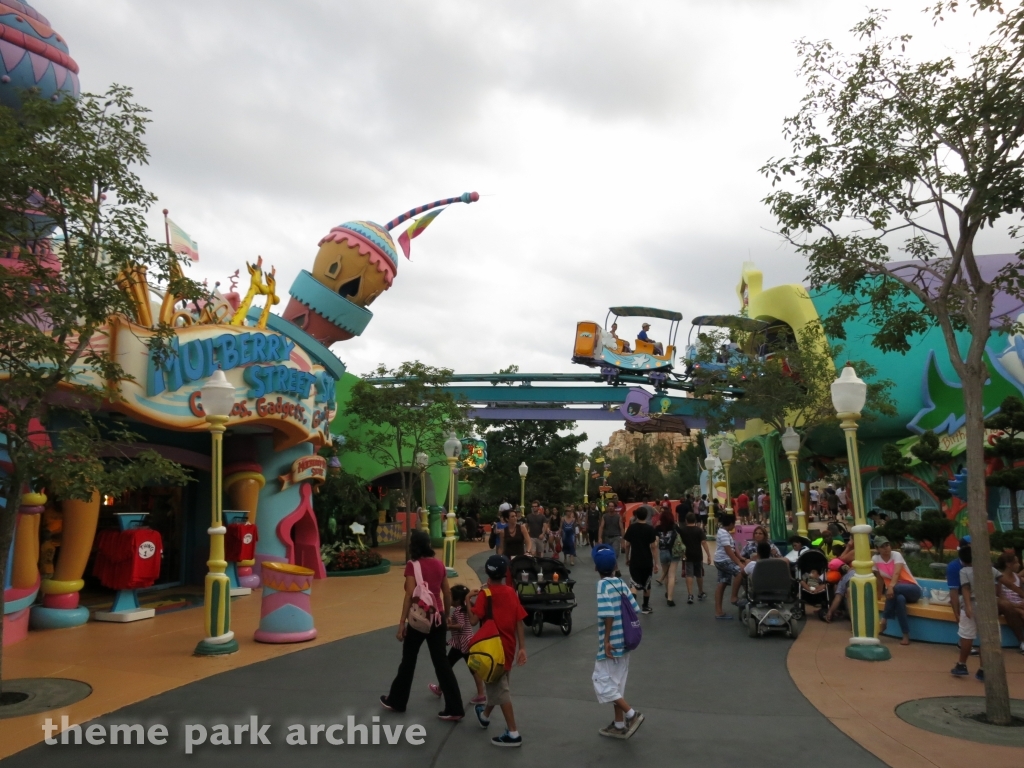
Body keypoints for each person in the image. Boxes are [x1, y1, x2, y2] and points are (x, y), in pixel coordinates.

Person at [381, 530, 464, 720]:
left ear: (414, 545)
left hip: (419, 620)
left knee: (409, 661)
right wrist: (446, 615)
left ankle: (397, 701)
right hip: (438, 618)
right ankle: (455, 708)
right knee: (442, 663)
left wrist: (402, 623)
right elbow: (447, 593)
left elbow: (410, 595)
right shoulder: (439, 564)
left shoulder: (412, 566)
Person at [473, 556, 529, 747]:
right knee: (499, 684)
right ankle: (485, 715)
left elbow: (473, 620)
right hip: (508, 647)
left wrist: (466, 600)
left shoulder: (484, 594)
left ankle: (513, 733)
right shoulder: (511, 592)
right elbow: (519, 620)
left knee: (501, 690)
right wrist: (522, 647)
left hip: (491, 650)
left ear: (487, 573)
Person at [593, 545, 644, 739]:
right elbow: (634, 608)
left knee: (602, 683)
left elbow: (608, 614)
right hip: (624, 642)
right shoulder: (621, 583)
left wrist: (605, 641)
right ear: (615, 565)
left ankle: (632, 715)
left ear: (596, 568)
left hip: (611, 644)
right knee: (616, 685)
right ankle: (619, 724)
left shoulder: (602, 585)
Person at [428, 584, 486, 704]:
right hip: (464, 642)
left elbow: (461, 626)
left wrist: (447, 626)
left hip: (462, 643)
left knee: (448, 666)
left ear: (457, 600)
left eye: (450, 597)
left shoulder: (459, 610)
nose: (448, 599)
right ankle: (440, 688)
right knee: (460, 667)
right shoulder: (464, 607)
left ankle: (480, 694)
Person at [951, 545, 996, 680]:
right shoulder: (989, 569)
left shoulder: (963, 571)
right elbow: (1000, 585)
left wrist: (965, 608)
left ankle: (961, 665)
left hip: (970, 607)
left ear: (962, 560)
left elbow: (965, 590)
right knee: (985, 638)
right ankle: (983, 669)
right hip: (987, 606)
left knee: (967, 637)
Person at [872, 536, 921, 646]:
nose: (886, 548)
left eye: (887, 545)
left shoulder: (896, 555)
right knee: (899, 600)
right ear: (877, 549)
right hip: (894, 592)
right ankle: (905, 635)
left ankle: (884, 620)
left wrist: (891, 587)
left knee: (895, 589)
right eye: (882, 546)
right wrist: (878, 596)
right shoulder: (875, 559)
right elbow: (879, 579)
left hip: (912, 589)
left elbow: (897, 573)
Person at [623, 505, 659, 615]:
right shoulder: (650, 529)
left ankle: (632, 606)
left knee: (634, 584)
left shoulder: (632, 528)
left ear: (636, 515)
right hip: (647, 561)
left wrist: (627, 557)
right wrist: (656, 563)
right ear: (647, 515)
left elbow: (627, 544)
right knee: (647, 584)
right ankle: (645, 606)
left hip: (635, 560)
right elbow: (653, 547)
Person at [713, 514, 744, 618]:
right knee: (740, 572)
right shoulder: (724, 534)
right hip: (724, 560)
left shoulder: (723, 532)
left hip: (721, 560)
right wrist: (739, 563)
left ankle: (718, 612)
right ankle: (734, 597)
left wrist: (741, 558)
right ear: (731, 523)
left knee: (722, 583)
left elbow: (733, 549)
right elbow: (729, 551)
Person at [677, 512, 709, 604]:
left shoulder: (683, 530)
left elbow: (679, 542)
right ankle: (700, 592)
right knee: (699, 574)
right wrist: (709, 555)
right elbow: (703, 542)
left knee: (689, 574)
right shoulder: (698, 530)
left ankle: (690, 595)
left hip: (687, 555)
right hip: (698, 555)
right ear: (695, 520)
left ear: (686, 520)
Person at [995, 553, 1024, 651]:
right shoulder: (999, 577)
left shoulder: (1017, 577)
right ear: (1008, 564)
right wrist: (1016, 606)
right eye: (1016, 562)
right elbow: (1000, 595)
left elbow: (1019, 592)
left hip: (1019, 603)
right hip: (1007, 603)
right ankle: (1022, 641)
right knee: (1010, 608)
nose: (1019, 565)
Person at [654, 508, 679, 606]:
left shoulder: (658, 528)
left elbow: (655, 542)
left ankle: (668, 592)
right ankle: (670, 599)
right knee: (672, 575)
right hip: (674, 552)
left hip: (663, 552)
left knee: (665, 574)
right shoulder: (675, 527)